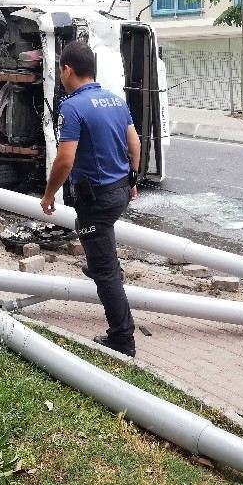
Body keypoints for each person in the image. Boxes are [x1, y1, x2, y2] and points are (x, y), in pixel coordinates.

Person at [41, 41, 140, 357]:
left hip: (97, 200)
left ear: (67, 70)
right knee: (95, 231)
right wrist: (133, 181)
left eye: (60, 70)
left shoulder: (71, 107)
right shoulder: (115, 100)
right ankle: (103, 262)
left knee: (104, 272)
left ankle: (122, 338)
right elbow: (134, 143)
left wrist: (48, 194)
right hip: (120, 192)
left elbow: (65, 160)